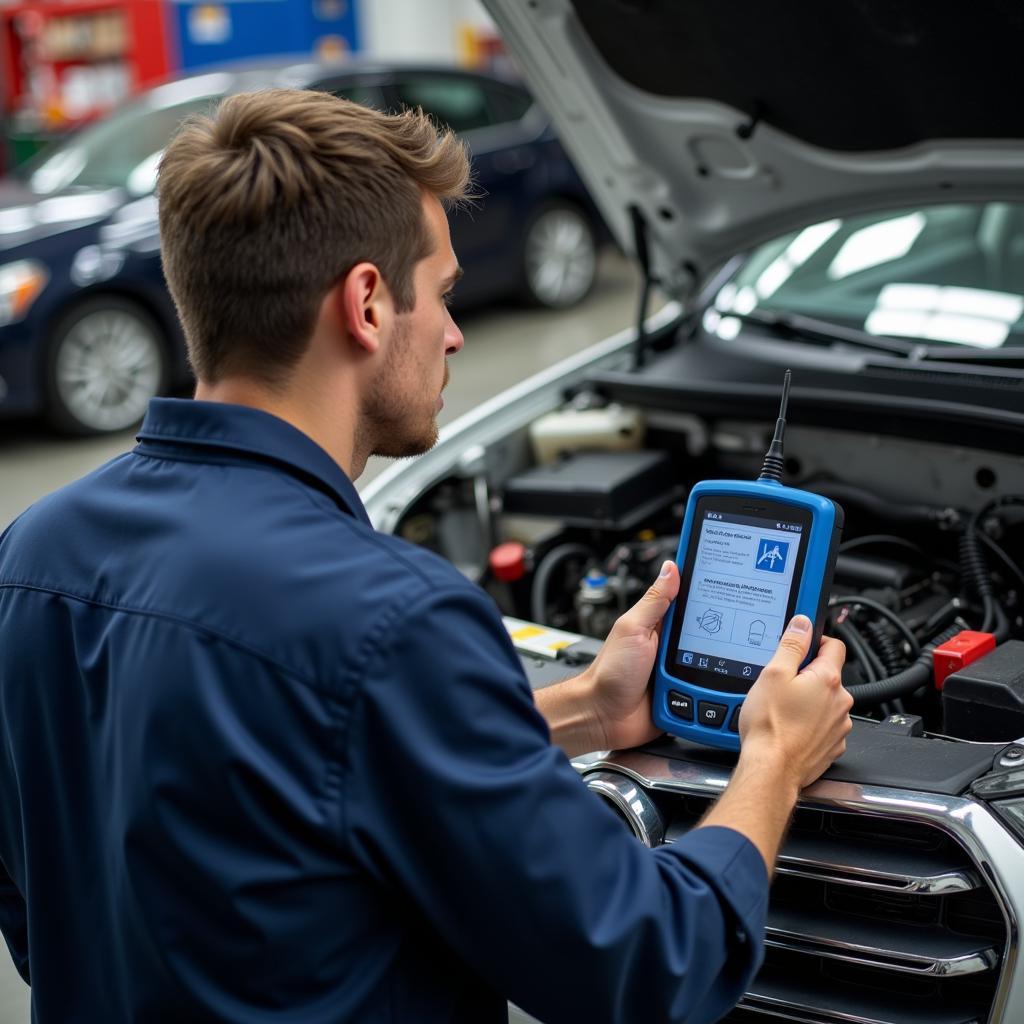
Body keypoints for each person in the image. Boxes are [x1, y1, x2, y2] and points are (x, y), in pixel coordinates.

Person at [0, 89, 852, 1023]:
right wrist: (774, 756)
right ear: (366, 303)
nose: (453, 333)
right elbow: (655, 964)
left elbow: (43, 921)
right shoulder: (394, 619)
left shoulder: (31, 555)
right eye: (442, 294)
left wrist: (586, 711)